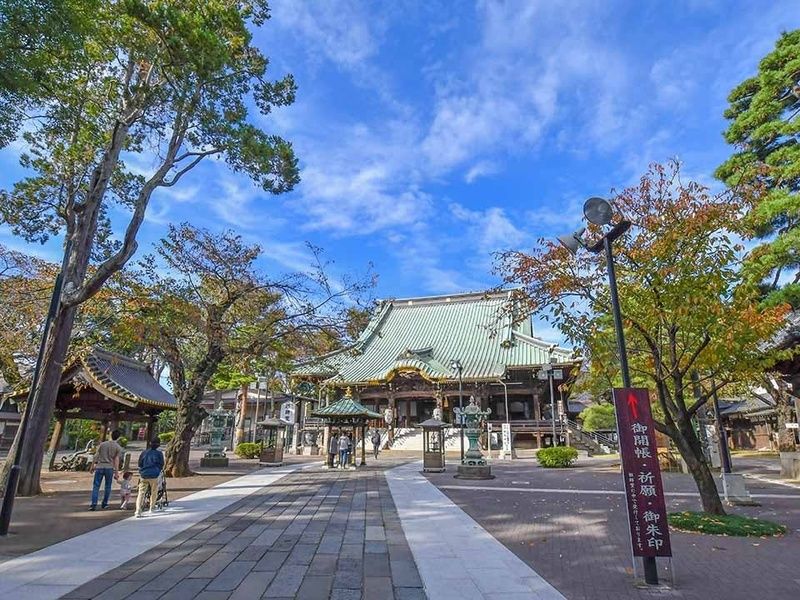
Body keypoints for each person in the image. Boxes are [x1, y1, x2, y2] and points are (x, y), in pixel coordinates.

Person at [90, 429, 123, 510]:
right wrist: (116, 472)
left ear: (111, 436)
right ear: (118, 438)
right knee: (108, 486)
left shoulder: (102, 444)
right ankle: (105, 504)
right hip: (109, 468)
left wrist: (92, 466)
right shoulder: (118, 447)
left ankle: (93, 504)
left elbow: (96, 455)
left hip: (100, 466)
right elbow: (116, 460)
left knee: (96, 486)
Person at [135, 438, 165, 517]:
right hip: (154, 474)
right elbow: (162, 464)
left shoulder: (144, 452)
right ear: (158, 444)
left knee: (141, 492)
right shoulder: (159, 453)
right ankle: (152, 507)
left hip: (144, 474)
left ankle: (138, 510)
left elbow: (140, 463)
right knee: (154, 491)